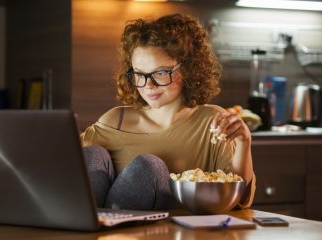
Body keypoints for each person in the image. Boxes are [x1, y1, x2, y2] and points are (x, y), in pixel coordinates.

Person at [80, 13, 255, 210]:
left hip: (170, 232)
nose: (149, 86)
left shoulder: (212, 123)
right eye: (139, 74)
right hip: (97, 225)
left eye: (161, 73)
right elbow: (62, 162)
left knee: (149, 166)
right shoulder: (114, 120)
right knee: (92, 154)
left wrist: (243, 142)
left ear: (188, 68)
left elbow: (237, 200)